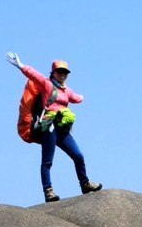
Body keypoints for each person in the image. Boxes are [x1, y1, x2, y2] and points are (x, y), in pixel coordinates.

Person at [6, 51, 102, 202]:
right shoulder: (47, 84)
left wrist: (82, 97)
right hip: (49, 128)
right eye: (60, 71)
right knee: (47, 161)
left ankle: (85, 183)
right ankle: (48, 191)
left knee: (78, 156)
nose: (63, 75)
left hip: (62, 129)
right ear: (54, 72)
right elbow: (34, 75)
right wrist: (21, 65)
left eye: (65, 72)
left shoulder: (66, 90)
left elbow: (76, 98)